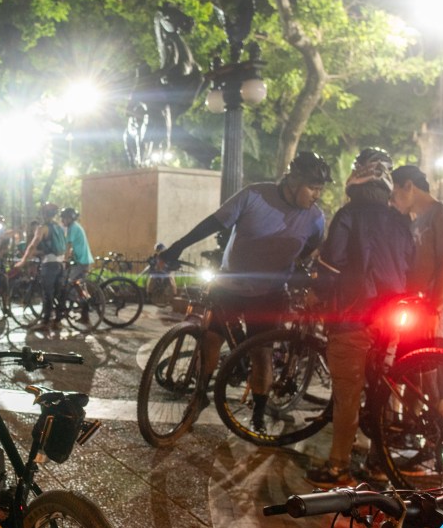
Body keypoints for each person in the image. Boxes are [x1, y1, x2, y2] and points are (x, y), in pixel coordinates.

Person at [157, 151, 331, 427]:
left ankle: (258, 415)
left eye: (320, 189)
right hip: (228, 284)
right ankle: (199, 395)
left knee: (261, 353)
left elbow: (312, 247)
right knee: (210, 340)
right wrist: (178, 246)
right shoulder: (254, 195)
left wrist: (298, 267)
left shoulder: (315, 218)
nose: (317, 195)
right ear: (293, 181)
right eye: (312, 187)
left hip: (270, 293)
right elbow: (213, 223)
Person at [306, 147, 415, 488]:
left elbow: (331, 264)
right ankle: (379, 463)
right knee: (382, 391)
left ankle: (338, 467)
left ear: (359, 174)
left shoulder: (348, 215)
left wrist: (314, 294)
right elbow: (409, 264)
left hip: (352, 316)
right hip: (390, 319)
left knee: (348, 393)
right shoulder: (400, 220)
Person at [389, 165, 443, 418]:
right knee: (412, 378)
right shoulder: (416, 220)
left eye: (394, 193)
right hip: (415, 316)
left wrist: (434, 311)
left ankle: (438, 436)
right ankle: (410, 429)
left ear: (408, 186)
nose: (392, 201)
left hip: (435, 320)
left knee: (437, 389)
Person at [16, 203, 69, 331]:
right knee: (59, 293)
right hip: (60, 263)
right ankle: (57, 321)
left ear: (44, 214)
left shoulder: (42, 228)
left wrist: (23, 261)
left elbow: (33, 245)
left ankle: (45, 322)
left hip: (49, 264)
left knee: (47, 294)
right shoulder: (59, 227)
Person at [61, 207, 95, 324]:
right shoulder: (76, 227)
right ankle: (85, 315)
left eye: (64, 218)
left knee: (67, 282)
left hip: (81, 261)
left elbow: (68, 245)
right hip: (84, 260)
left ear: (70, 218)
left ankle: (80, 303)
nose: (62, 220)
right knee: (80, 286)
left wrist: (65, 260)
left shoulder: (73, 228)